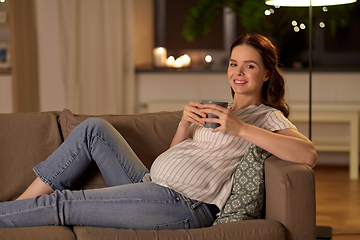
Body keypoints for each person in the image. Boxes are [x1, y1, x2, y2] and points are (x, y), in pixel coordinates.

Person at [0, 33, 317, 229]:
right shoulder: (218, 110)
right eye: (234, 64)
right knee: (92, 129)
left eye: (249, 65)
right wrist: (183, 125)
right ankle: (22, 203)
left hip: (184, 203)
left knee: (65, 203)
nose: (238, 72)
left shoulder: (266, 116)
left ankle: (9, 213)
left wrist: (241, 128)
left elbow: (308, 154)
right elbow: (172, 155)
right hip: (152, 183)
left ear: (265, 74)